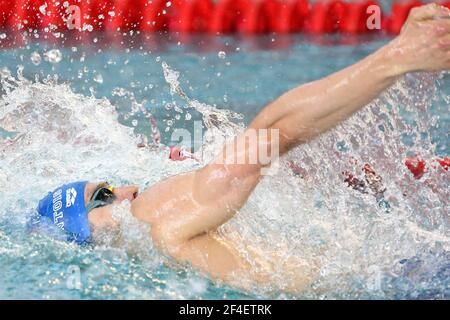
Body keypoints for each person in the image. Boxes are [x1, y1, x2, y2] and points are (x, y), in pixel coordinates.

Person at [32, 4, 450, 293]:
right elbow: (271, 136)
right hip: (414, 282)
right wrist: (399, 56)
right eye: (104, 196)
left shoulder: (151, 268)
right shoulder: (153, 215)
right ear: (89, 228)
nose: (129, 191)